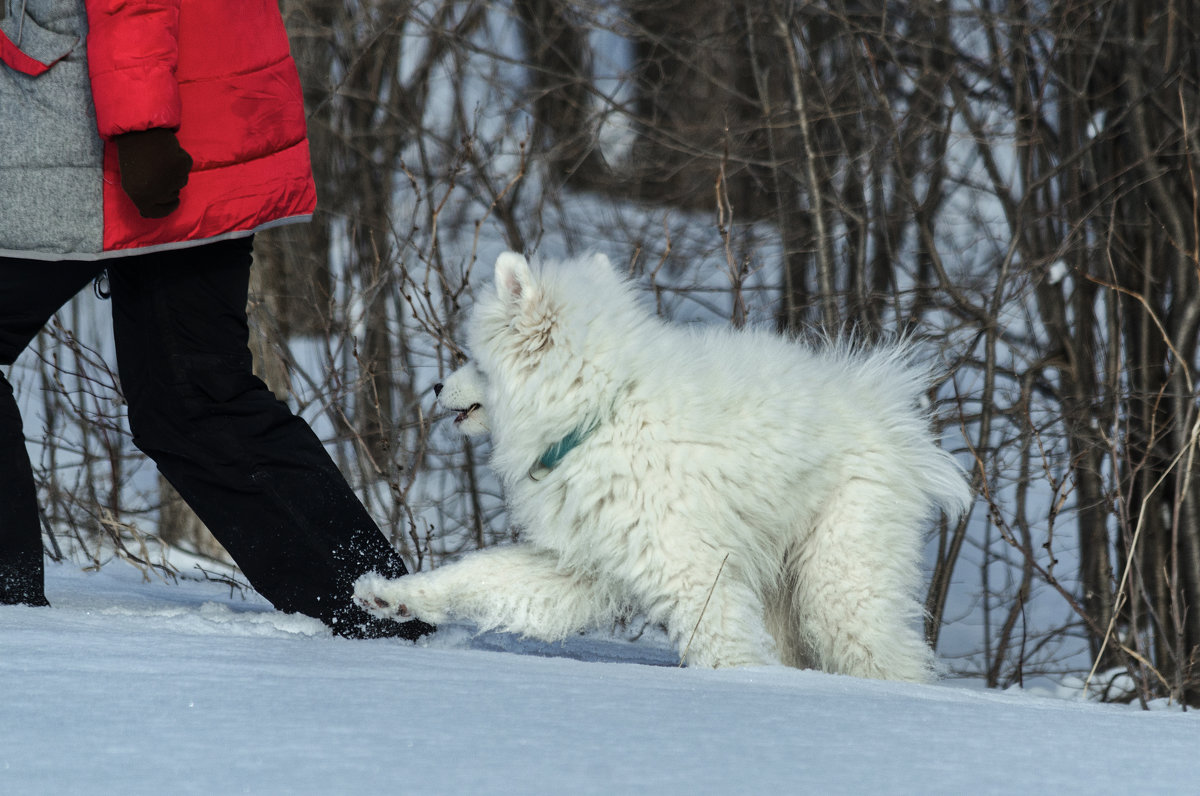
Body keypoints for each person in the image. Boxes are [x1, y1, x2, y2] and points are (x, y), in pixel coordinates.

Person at [0, 0, 428, 639]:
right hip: (179, 108)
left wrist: (141, 124)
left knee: (195, 396)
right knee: (194, 398)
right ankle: (375, 607)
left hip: (118, 125)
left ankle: (8, 613)